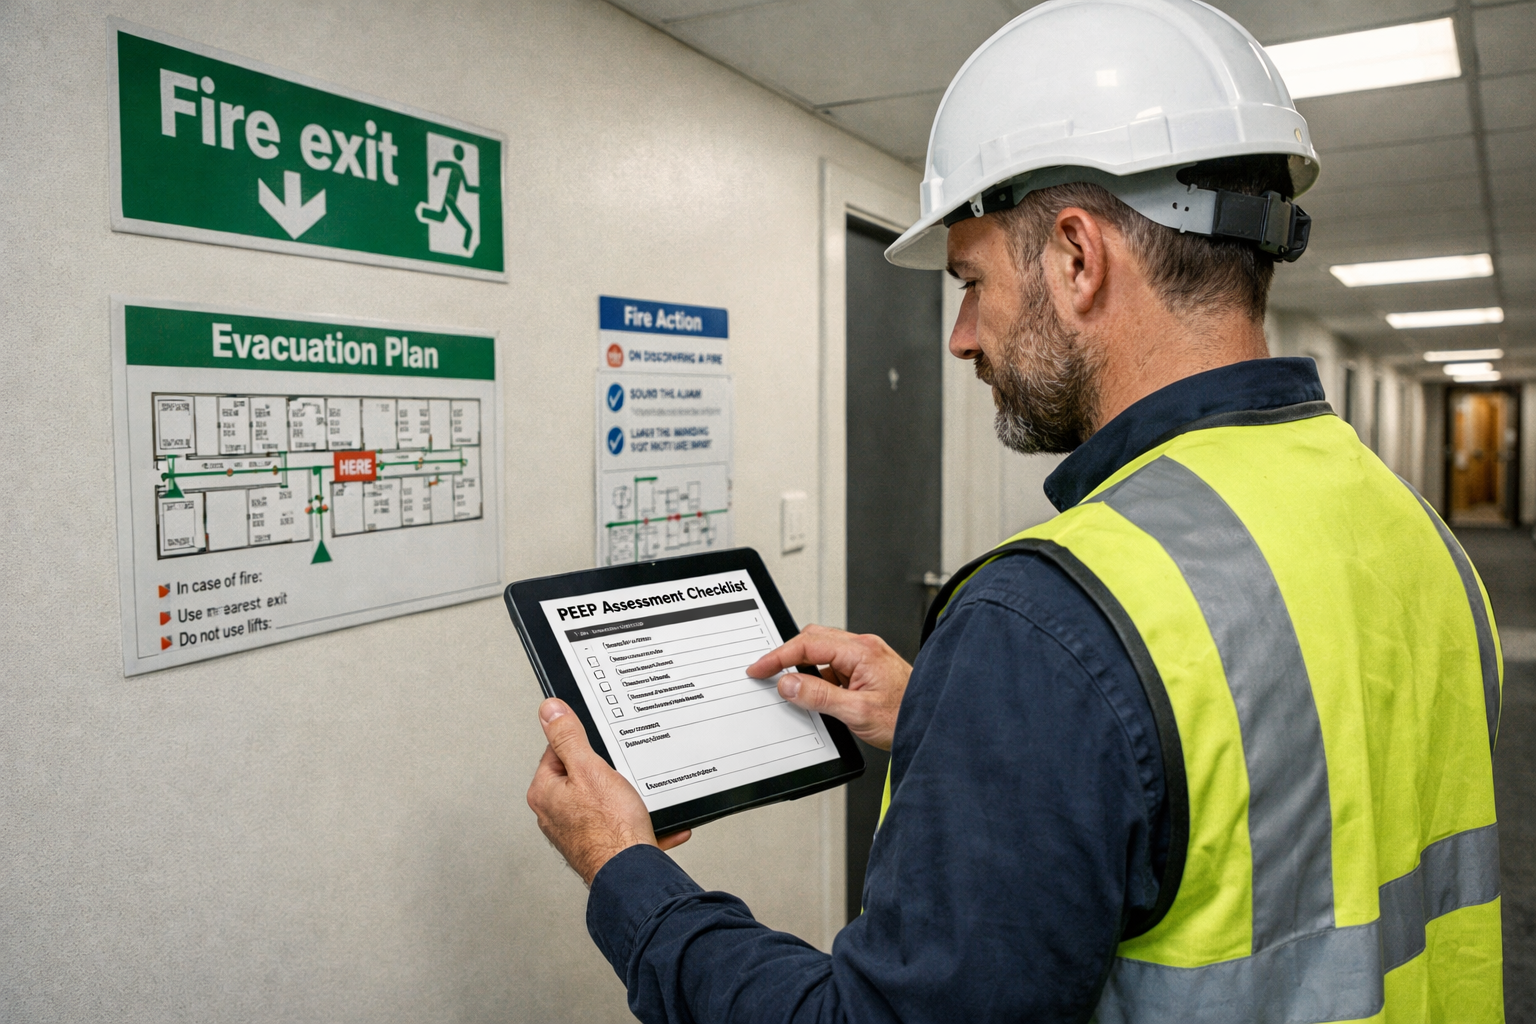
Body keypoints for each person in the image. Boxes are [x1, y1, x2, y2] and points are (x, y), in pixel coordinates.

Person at [526, 0, 1505, 1020]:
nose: (960, 336)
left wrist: (625, 872)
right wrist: (959, 723)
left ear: (1078, 259)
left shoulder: (1050, 624)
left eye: (971, 280)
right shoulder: (1409, 525)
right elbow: (1284, 787)